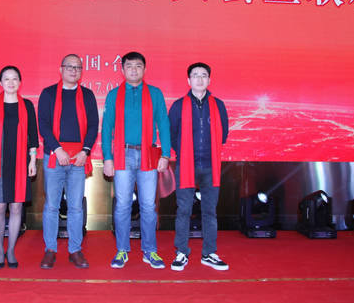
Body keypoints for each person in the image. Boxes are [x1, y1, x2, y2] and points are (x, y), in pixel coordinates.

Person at [101, 51, 171, 269]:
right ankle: (122, 250)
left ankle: (150, 251)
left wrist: (165, 154)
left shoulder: (155, 94)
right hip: (122, 155)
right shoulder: (114, 95)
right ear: (122, 69)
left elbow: (163, 124)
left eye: (138, 66)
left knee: (148, 205)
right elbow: (107, 128)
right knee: (122, 205)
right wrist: (107, 158)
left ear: (144, 69)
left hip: (148, 155)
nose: (134, 70)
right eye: (129, 66)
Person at [37, 54, 99, 269]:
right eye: (70, 67)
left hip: (78, 159)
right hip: (55, 156)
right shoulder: (48, 93)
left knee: (75, 207)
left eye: (78, 67)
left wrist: (85, 151)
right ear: (61, 69)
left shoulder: (88, 95)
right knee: (52, 206)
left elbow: (93, 125)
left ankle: (75, 250)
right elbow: (43, 124)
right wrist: (57, 149)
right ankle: (50, 250)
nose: (74, 71)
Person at [168, 62, 229, 271]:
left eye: (204, 75)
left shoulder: (218, 105)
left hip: (210, 166)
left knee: (209, 211)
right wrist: (184, 153)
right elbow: (172, 134)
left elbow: (223, 134)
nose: (200, 79)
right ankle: (181, 252)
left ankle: (209, 253)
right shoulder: (178, 106)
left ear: (209, 80)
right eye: (195, 75)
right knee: (183, 210)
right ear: (189, 80)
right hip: (186, 165)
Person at [0, 65, 39, 269]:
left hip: (20, 163)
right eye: (7, 79)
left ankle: (12, 250)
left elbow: (33, 136)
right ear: (0, 83)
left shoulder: (27, 106)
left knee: (16, 207)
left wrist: (32, 161)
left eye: (15, 78)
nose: (11, 82)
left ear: (20, 82)